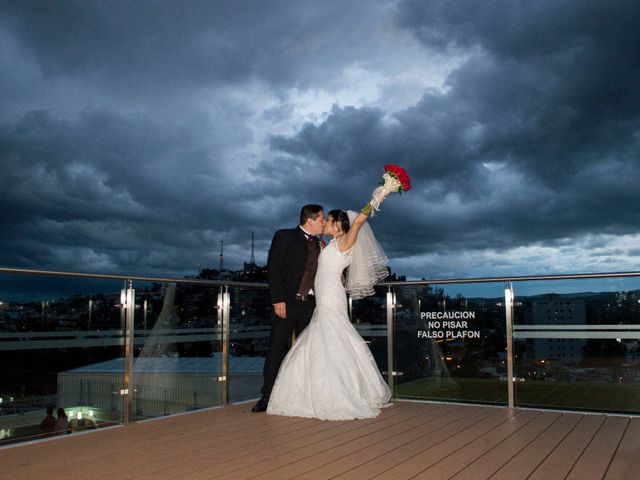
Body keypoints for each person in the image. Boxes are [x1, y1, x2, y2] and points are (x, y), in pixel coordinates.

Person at [267, 208, 392, 420]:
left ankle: (339, 393)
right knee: (322, 338)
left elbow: (359, 222)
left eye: (328, 219)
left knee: (333, 337)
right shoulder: (328, 244)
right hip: (323, 296)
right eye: (322, 219)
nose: (324, 222)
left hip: (331, 297)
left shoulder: (345, 241)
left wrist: (378, 197)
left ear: (337, 225)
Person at [252, 204, 326, 412]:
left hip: (311, 305)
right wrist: (278, 300)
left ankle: (303, 396)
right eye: (321, 219)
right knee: (277, 349)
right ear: (310, 220)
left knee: (307, 353)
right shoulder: (285, 236)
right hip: (287, 304)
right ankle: (266, 397)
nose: (324, 222)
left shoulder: (321, 243)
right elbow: (274, 267)